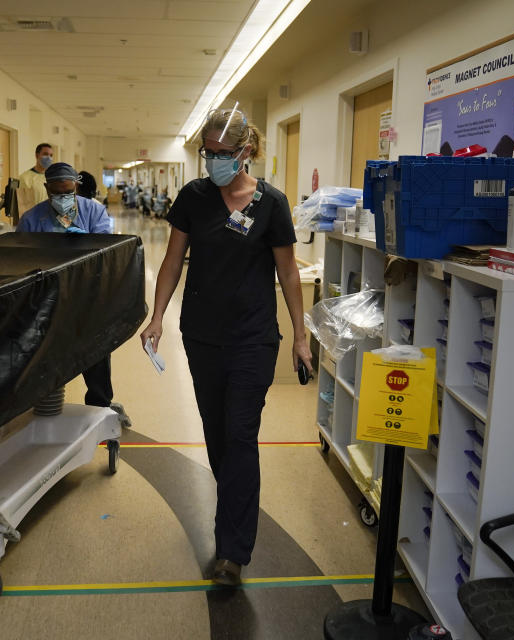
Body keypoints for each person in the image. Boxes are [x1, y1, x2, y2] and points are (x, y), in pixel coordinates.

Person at [139, 106, 313, 586]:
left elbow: (289, 272)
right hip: (202, 336)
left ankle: (232, 553)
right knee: (218, 436)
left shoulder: (272, 205)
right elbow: (173, 261)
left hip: (254, 338)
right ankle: (233, 511)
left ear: (246, 153)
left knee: (239, 435)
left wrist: (300, 335)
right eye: (206, 152)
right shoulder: (193, 198)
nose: (212, 161)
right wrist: (157, 317)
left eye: (220, 153)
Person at [17, 163, 129, 423]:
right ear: (46, 190)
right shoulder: (31, 220)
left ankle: (100, 408)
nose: (63, 198)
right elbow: (19, 260)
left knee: (96, 354)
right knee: (46, 357)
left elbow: (107, 252)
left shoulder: (94, 211)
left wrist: (87, 241)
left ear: (76, 187)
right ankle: (44, 407)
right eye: (56, 194)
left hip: (87, 296)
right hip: (48, 300)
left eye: (67, 192)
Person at [17, 143, 54, 208]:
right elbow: (21, 204)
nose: (49, 158)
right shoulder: (25, 178)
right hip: (32, 216)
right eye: (45, 154)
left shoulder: (53, 178)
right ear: (37, 156)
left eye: (51, 155)